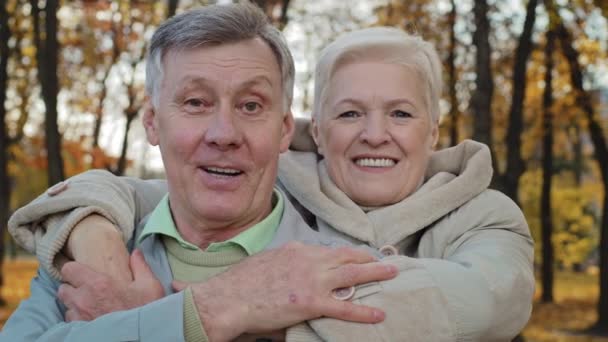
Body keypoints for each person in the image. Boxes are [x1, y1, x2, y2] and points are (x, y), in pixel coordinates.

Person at [6, 14, 535, 342]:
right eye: (194, 102)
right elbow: (129, 190)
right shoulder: (94, 247)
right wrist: (197, 312)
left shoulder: (329, 265)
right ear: (314, 133)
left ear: (284, 131)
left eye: (252, 105)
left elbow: (489, 298)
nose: (223, 132)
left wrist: (197, 317)